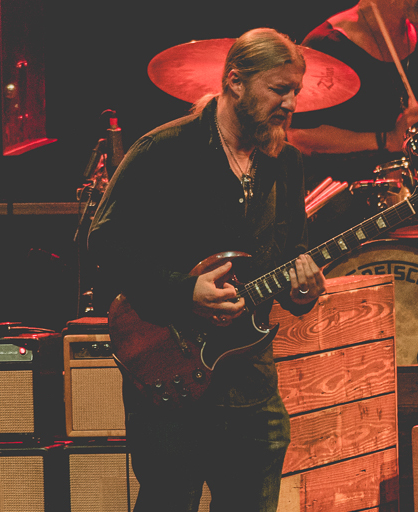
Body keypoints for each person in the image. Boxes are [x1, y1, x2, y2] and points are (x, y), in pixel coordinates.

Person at [87, 28, 326, 512]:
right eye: (279, 89)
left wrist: (304, 289)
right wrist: (184, 291)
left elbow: (291, 255)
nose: (291, 103)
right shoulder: (164, 150)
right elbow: (105, 243)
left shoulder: (286, 161)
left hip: (252, 384)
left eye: (295, 91)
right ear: (235, 81)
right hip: (171, 373)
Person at [287, 0, 418, 242]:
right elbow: (298, 136)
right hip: (340, 210)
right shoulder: (328, 44)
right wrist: (385, 140)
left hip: (406, 200)